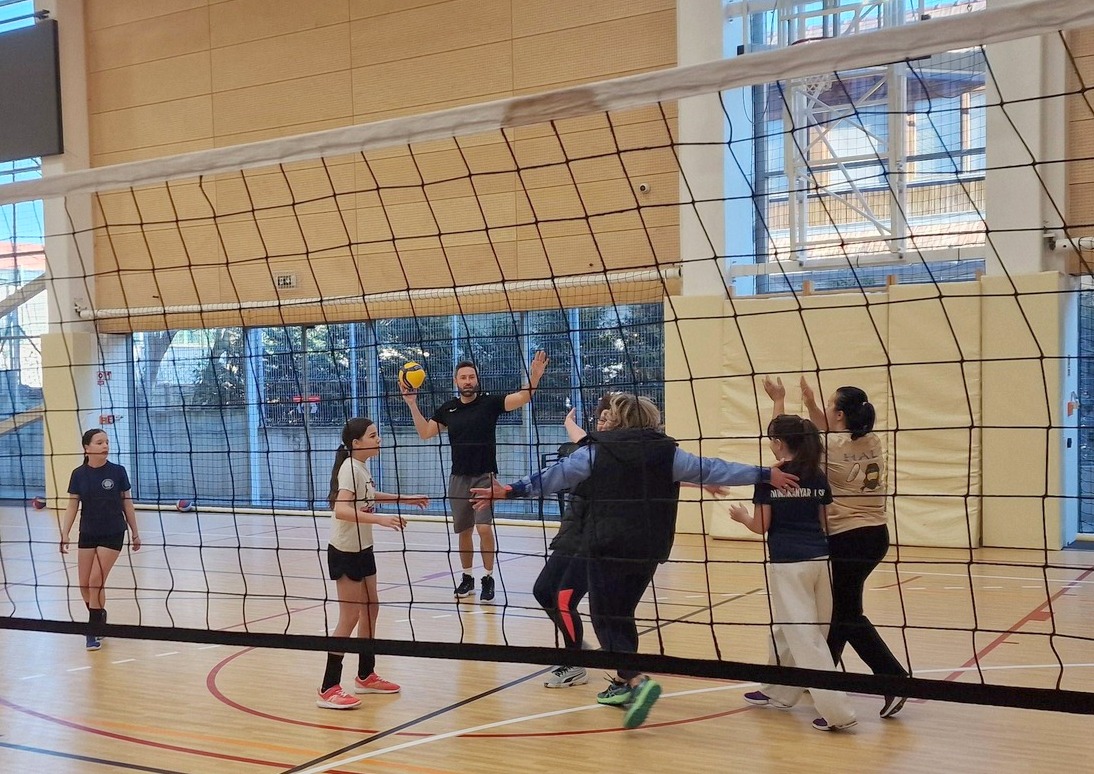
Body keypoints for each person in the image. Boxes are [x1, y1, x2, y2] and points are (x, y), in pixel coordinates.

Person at [471, 393, 799, 729]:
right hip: (649, 548)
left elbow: (556, 475)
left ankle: (637, 681)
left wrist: (511, 490)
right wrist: (764, 474)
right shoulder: (667, 453)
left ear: (619, 419)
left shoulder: (597, 452)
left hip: (607, 545)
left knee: (605, 617)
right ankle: (623, 684)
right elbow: (714, 468)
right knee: (622, 614)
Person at [765, 376, 909, 719]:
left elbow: (785, 442)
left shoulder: (828, 448)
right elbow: (826, 428)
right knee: (838, 612)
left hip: (848, 538)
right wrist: (813, 403)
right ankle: (820, 677)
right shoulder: (870, 439)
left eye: (830, 406)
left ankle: (893, 679)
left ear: (840, 415)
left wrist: (779, 400)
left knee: (846, 615)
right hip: (876, 535)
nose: (825, 411)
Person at [729, 414, 857, 732]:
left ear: (778, 443)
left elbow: (761, 526)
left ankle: (838, 713)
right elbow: (824, 522)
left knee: (805, 638)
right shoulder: (816, 474)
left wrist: (742, 517)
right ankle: (779, 691)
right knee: (792, 632)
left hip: (788, 564)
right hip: (820, 561)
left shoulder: (768, 478)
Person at [401, 352, 549, 602]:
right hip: (458, 478)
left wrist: (535, 376)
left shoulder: (489, 403)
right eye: (463, 377)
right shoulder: (448, 409)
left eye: (471, 377)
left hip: (484, 477)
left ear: (477, 379)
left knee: (484, 528)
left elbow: (523, 397)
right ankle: (467, 578)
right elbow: (425, 432)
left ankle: (488, 578)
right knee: (464, 531)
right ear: (456, 381)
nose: (468, 381)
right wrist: (412, 404)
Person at [316, 417, 429, 710]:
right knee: (350, 617)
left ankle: (366, 675)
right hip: (345, 551)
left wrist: (403, 499)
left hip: (363, 548)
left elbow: (367, 496)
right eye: (372, 435)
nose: (378, 439)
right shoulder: (349, 468)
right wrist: (379, 519)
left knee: (371, 608)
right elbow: (341, 509)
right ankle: (328, 687)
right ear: (356, 443)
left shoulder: (361, 467)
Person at [534, 395, 613, 689]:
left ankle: (575, 662)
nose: (602, 424)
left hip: (596, 538)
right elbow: (578, 435)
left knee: (565, 598)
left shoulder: (623, 455)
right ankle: (577, 645)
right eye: (601, 419)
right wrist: (568, 421)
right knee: (543, 591)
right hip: (572, 533)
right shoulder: (589, 448)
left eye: (609, 420)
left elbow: (662, 473)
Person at [60, 429, 141, 651]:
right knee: (84, 584)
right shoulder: (78, 474)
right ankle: (99, 616)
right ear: (87, 448)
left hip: (113, 532)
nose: (105, 446)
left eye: (106, 442)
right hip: (88, 532)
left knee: (95, 581)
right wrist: (65, 532)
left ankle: (92, 629)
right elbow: (72, 505)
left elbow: (127, 503)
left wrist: (135, 532)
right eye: (99, 442)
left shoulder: (118, 471)